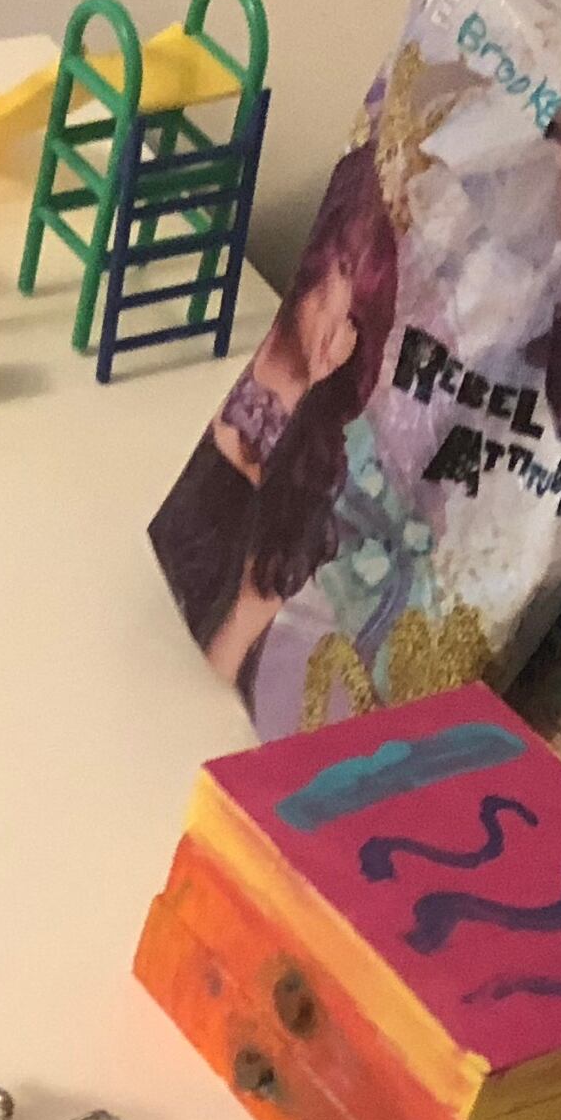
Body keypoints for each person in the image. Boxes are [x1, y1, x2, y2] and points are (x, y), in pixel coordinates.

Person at [146, 139, 402, 700]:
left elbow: (231, 652)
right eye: (338, 280)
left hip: (186, 682)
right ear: (316, 262)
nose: (337, 340)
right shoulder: (237, 342)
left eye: (358, 321)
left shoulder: (313, 467)